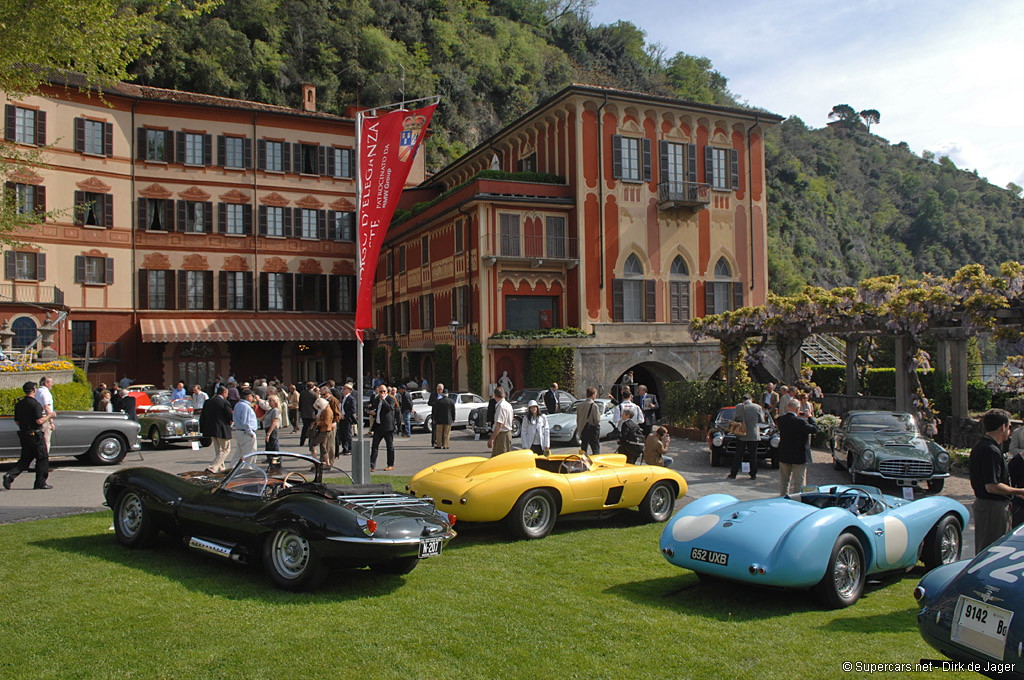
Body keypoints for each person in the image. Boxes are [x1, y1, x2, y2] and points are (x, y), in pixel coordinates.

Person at [969, 409, 1024, 553]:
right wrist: (1019, 491)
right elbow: (992, 486)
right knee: (991, 551)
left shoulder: (984, 446)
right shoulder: (990, 450)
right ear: (1003, 427)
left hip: (990, 506)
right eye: (1009, 426)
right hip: (992, 507)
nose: (1010, 431)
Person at [3, 381, 54, 490]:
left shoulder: (19, 404)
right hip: (35, 434)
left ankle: (10, 475)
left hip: (24, 434)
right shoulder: (35, 404)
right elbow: (39, 421)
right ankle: (40, 482)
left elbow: (17, 422)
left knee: (25, 459)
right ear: (34, 390)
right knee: (42, 458)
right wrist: (49, 416)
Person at [776, 399, 818, 496]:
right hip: (799, 455)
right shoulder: (801, 422)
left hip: (784, 453)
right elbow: (814, 429)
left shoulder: (781, 420)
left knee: (784, 482)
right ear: (798, 409)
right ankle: (797, 501)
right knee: (799, 482)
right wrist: (810, 417)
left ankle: (783, 498)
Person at [727, 394, 763, 480]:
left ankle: (734, 473)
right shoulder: (757, 407)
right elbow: (761, 420)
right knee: (753, 455)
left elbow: (734, 418)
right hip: (753, 434)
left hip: (742, 433)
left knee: (738, 454)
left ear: (743, 399)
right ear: (751, 399)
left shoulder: (739, 406)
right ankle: (753, 474)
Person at [201, 386, 234, 473]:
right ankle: (212, 467)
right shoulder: (224, 403)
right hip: (222, 429)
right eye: (226, 393)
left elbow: (203, 416)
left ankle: (221, 469)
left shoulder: (208, 402)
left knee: (218, 450)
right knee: (226, 449)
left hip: (211, 429)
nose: (227, 395)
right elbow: (230, 416)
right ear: (224, 393)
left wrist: (203, 429)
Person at [369, 384, 396, 471]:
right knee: (374, 446)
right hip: (378, 426)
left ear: (387, 392)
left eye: (384, 391)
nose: (382, 393)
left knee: (390, 446)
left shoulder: (391, 399)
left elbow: (389, 408)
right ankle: (372, 465)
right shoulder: (377, 399)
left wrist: (384, 400)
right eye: (380, 391)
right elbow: (374, 409)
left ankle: (390, 464)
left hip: (387, 427)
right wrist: (373, 412)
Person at [231, 389, 259, 465]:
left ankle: (232, 468)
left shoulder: (238, 404)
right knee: (250, 453)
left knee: (239, 453)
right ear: (249, 397)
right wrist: (251, 433)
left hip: (240, 431)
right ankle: (248, 469)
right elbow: (245, 422)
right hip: (246, 432)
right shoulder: (246, 407)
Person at [576, 387, 602, 455]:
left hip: (582, 430)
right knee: (595, 449)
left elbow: (578, 419)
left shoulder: (580, 405)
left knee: (583, 449)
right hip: (592, 431)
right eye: (595, 394)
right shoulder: (594, 406)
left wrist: (579, 430)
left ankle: (583, 463)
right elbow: (597, 420)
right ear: (593, 395)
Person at [309, 397, 334, 467]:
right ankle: (327, 463)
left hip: (325, 430)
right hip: (324, 430)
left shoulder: (327, 411)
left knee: (313, 445)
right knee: (323, 447)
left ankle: (316, 462)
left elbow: (326, 422)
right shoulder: (326, 410)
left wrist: (317, 423)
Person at [489, 386, 513, 457]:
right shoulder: (508, 405)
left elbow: (499, 425)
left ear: (495, 395)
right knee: (505, 456)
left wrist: (491, 439)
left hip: (502, 435)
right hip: (508, 433)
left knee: (499, 458)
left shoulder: (501, 406)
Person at [35, 375, 55, 453]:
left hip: (37, 417)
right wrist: (51, 421)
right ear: (46, 383)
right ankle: (44, 459)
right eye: (51, 382)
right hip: (45, 418)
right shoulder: (46, 393)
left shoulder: (37, 391)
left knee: (38, 441)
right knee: (46, 441)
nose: (52, 384)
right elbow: (47, 407)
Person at [338, 382, 356, 455]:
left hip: (347, 418)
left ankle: (350, 448)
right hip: (341, 418)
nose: (343, 390)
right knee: (342, 434)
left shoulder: (351, 399)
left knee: (348, 434)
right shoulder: (343, 398)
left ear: (348, 390)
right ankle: (345, 448)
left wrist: (345, 415)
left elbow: (353, 410)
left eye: (344, 389)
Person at [298, 381, 317, 446]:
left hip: (304, 413)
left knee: (305, 427)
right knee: (311, 428)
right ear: (313, 387)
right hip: (312, 413)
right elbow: (316, 405)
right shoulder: (314, 394)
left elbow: (300, 403)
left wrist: (300, 410)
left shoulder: (302, 393)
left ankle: (302, 441)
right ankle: (310, 442)